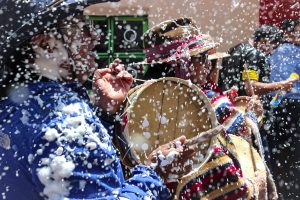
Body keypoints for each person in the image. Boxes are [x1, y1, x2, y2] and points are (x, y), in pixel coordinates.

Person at [0, 1, 195, 199]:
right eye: (83, 28)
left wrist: (104, 113)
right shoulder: (62, 122)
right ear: (45, 46)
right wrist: (155, 175)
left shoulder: (16, 108)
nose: (96, 35)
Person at [141, 17, 276, 199]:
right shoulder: (192, 117)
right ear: (182, 64)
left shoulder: (146, 105)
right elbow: (230, 193)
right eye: (203, 58)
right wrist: (255, 185)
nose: (207, 65)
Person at [266, 18, 300, 199]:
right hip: (292, 107)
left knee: (284, 152)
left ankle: (284, 190)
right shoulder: (288, 51)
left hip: (280, 106)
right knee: (293, 153)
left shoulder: (278, 52)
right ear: (290, 33)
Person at [219, 25, 296, 97]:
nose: (271, 52)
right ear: (265, 41)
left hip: (227, 102)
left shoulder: (235, 48)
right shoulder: (254, 54)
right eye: (274, 47)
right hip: (243, 105)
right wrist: (280, 85)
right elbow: (250, 88)